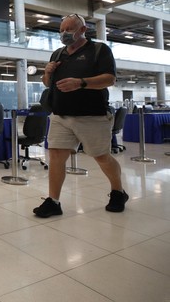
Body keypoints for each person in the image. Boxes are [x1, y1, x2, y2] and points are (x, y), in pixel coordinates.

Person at [33, 13, 129, 218]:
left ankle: (118, 192)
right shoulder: (58, 54)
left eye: (69, 29)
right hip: (60, 115)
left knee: (101, 156)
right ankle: (53, 201)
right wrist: (48, 72)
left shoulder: (98, 50)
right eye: (61, 30)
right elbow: (47, 83)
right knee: (57, 157)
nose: (64, 34)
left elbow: (109, 79)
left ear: (83, 30)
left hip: (91, 115)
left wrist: (81, 82)